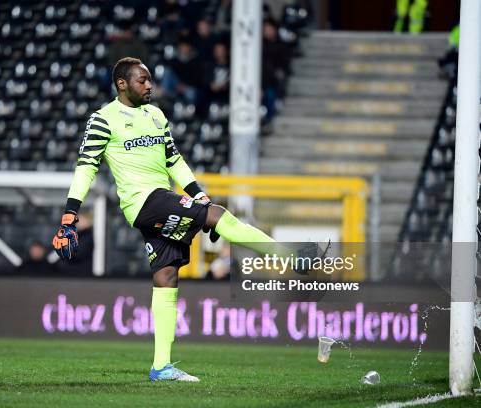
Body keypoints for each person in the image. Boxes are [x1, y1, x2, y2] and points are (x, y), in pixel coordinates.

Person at [52, 57, 322, 382]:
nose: (149, 85)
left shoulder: (155, 115)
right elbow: (86, 168)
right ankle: (292, 259)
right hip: (143, 202)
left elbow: (173, 160)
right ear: (121, 83)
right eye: (141, 80)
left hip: (160, 200)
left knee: (166, 276)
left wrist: (198, 193)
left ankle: (161, 367)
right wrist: (70, 214)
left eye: (150, 79)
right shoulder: (103, 120)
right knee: (218, 216)